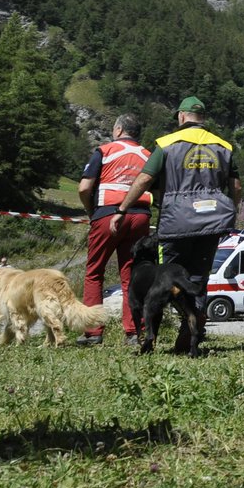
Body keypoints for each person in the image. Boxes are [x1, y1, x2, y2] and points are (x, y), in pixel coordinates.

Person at [111, 96, 240, 341]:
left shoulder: (167, 143)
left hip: (176, 223)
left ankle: (151, 336)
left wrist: (122, 209)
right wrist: (232, 211)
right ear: (203, 117)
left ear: (181, 116)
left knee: (164, 279)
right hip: (212, 223)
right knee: (199, 277)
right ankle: (191, 331)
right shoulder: (223, 145)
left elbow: (145, 179)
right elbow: (236, 186)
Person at [76, 114, 152, 347]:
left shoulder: (105, 150)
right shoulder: (148, 155)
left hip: (107, 214)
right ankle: (132, 333)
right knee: (130, 276)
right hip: (140, 216)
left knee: (94, 272)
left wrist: (93, 214)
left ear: (118, 130)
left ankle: (93, 331)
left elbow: (84, 188)